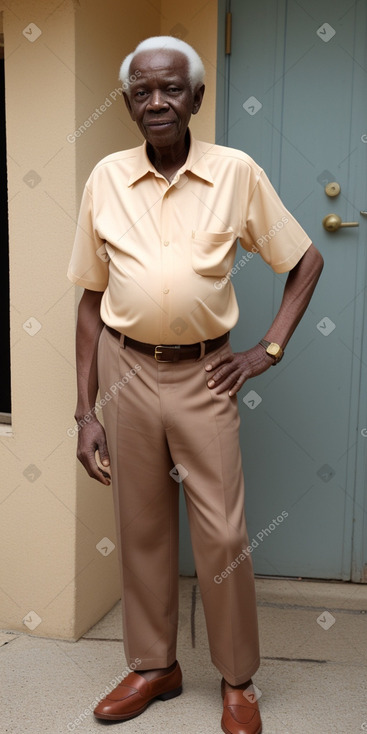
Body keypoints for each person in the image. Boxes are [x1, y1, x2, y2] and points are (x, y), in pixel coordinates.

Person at [67, 35, 323, 734]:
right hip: (124, 369)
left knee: (223, 534)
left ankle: (237, 681)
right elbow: (90, 301)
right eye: (143, 90)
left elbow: (303, 260)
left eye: (171, 89)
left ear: (196, 98)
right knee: (141, 527)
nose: (157, 102)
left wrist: (265, 349)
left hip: (203, 375)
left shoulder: (234, 171)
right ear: (127, 102)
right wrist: (84, 413)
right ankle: (155, 667)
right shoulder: (106, 178)